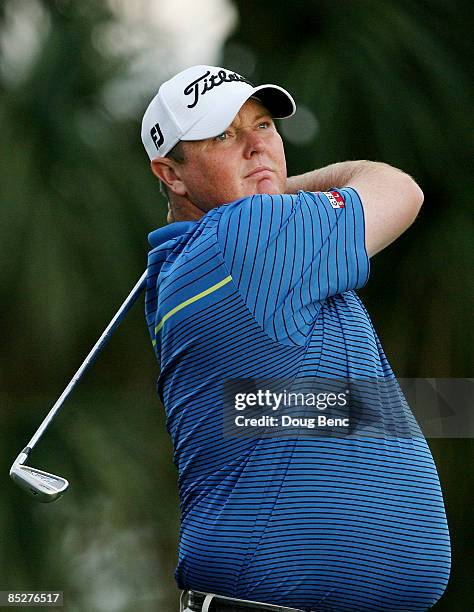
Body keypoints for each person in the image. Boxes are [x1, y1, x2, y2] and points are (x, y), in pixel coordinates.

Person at [141, 65, 451, 612]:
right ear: (172, 174)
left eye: (263, 125)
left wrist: (271, 194)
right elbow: (399, 189)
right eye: (224, 135)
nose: (256, 146)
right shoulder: (248, 237)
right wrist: (280, 193)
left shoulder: (187, 264)